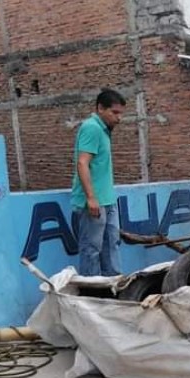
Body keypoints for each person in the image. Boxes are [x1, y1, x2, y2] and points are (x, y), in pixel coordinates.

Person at [71, 88, 126, 276]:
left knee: (112, 245)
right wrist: (91, 198)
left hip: (107, 200)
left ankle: (114, 287)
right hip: (93, 203)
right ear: (100, 108)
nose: (119, 118)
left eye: (121, 113)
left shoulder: (104, 130)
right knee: (91, 250)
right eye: (115, 112)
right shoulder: (91, 127)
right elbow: (82, 162)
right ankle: (91, 291)